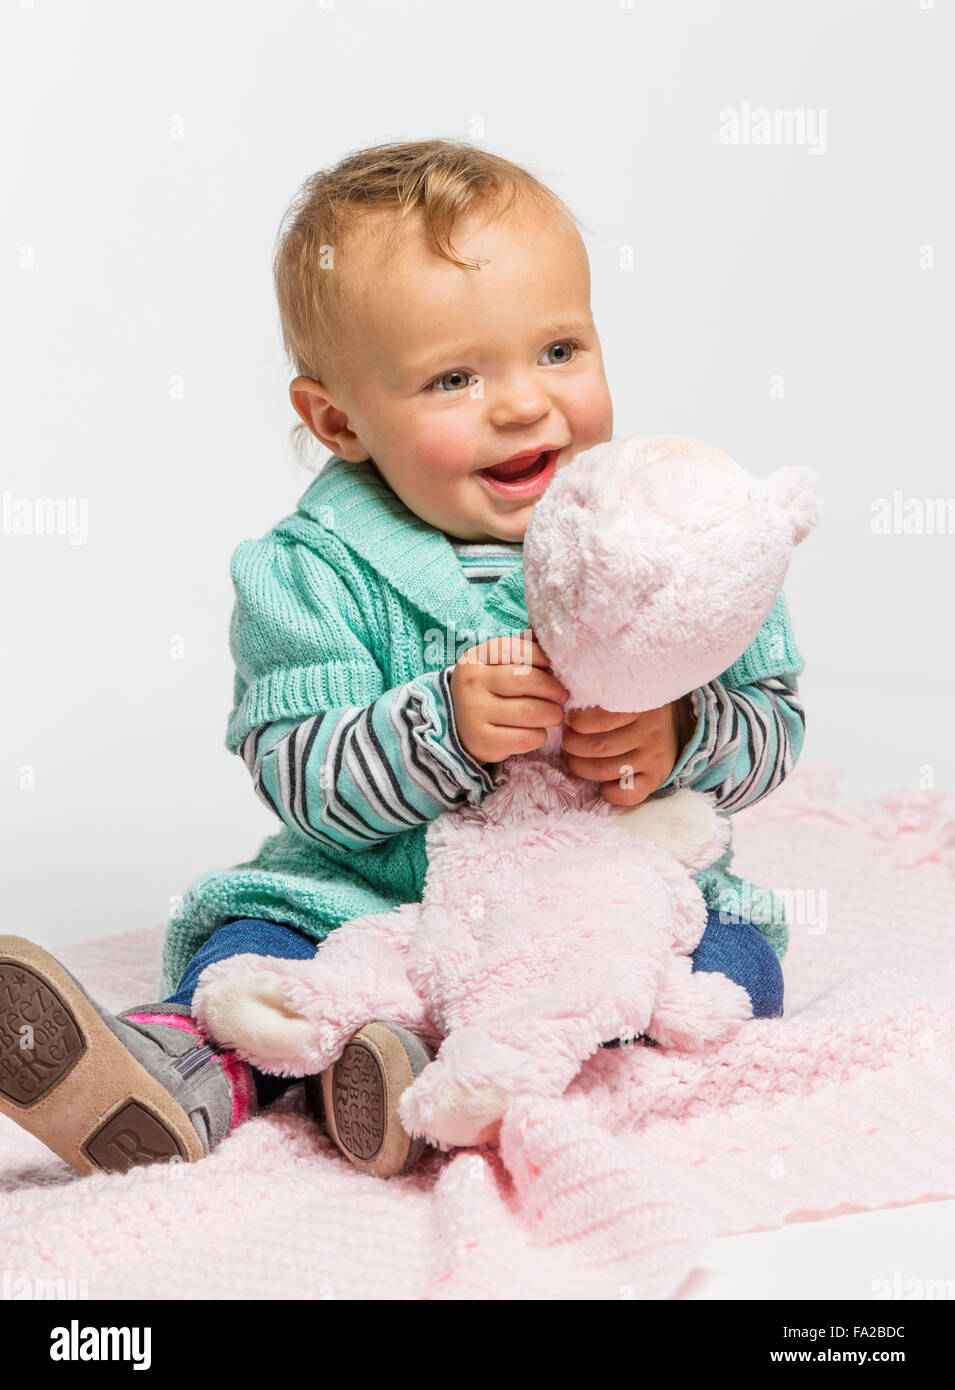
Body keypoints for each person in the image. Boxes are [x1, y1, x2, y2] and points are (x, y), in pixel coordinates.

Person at [0, 139, 804, 1181]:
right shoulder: (306, 573)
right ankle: (191, 1070)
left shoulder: (667, 532)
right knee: (254, 946)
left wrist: (684, 732)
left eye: (559, 349)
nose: (523, 402)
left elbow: (772, 720)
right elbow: (300, 773)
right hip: (370, 895)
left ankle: (438, 1062)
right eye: (454, 377)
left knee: (729, 956)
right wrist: (440, 729)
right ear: (337, 419)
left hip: (595, 900)